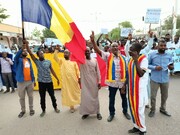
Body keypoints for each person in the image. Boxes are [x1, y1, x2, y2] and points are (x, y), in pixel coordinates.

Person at [91, 31, 131, 122]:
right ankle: (111, 114)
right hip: (112, 84)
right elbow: (97, 50)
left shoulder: (124, 58)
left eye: (116, 46)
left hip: (122, 83)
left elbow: (126, 71)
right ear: (110, 48)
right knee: (111, 99)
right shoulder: (107, 56)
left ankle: (125, 111)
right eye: (113, 46)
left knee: (124, 98)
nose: (115, 47)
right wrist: (93, 42)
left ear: (118, 47)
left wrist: (124, 84)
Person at [26, 41, 60, 117]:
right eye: (40, 54)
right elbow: (31, 54)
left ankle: (55, 107)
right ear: (38, 56)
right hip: (41, 83)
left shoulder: (48, 61)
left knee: (52, 96)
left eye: (42, 53)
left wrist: (57, 78)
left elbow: (52, 70)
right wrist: (27, 45)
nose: (42, 54)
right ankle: (43, 110)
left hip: (49, 82)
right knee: (42, 98)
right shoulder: (37, 62)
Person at [148, 39, 174, 117]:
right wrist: (155, 67)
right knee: (153, 96)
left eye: (164, 46)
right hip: (154, 79)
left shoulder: (169, 54)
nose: (163, 47)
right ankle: (152, 110)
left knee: (164, 95)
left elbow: (172, 66)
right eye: (161, 45)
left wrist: (171, 67)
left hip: (165, 79)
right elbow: (147, 64)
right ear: (157, 46)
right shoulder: (152, 54)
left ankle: (163, 109)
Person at [127, 42, 148, 135]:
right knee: (132, 108)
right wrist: (124, 85)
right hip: (131, 89)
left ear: (136, 51)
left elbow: (141, 74)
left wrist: (136, 60)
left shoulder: (143, 59)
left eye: (131, 50)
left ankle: (142, 129)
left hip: (139, 90)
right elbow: (128, 74)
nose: (129, 51)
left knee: (139, 110)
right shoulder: (130, 60)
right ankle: (136, 126)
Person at [54, 46, 81, 113]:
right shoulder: (61, 61)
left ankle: (79, 102)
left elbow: (77, 71)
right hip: (66, 81)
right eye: (64, 53)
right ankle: (71, 106)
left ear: (69, 54)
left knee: (76, 92)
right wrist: (56, 51)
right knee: (69, 93)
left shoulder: (73, 62)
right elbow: (55, 57)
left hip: (73, 80)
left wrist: (79, 77)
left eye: (66, 53)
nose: (65, 54)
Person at [79, 47, 102, 120]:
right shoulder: (82, 61)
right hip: (85, 83)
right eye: (85, 51)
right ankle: (86, 112)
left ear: (90, 52)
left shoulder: (94, 60)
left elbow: (98, 71)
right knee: (86, 98)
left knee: (95, 97)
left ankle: (98, 112)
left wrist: (99, 81)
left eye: (88, 51)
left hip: (93, 82)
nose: (87, 52)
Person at [14, 43, 35, 118]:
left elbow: (31, 71)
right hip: (21, 82)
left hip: (29, 81)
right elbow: (15, 58)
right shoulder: (18, 60)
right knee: (22, 97)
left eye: (26, 51)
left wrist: (34, 80)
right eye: (24, 51)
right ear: (21, 52)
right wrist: (21, 49)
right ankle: (23, 110)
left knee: (31, 96)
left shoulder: (28, 60)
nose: (25, 52)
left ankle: (31, 109)